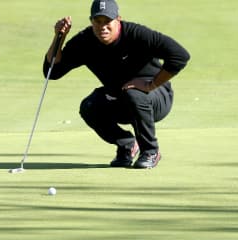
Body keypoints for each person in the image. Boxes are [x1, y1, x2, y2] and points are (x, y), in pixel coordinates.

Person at [43, 0, 190, 169]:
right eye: (98, 21)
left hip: (157, 97)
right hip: (121, 97)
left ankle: (150, 151)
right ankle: (127, 145)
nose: (102, 27)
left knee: (133, 93)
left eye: (107, 21)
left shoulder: (137, 35)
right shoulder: (85, 41)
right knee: (90, 106)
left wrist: (151, 84)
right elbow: (52, 72)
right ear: (91, 21)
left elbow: (180, 55)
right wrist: (59, 37)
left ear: (118, 19)